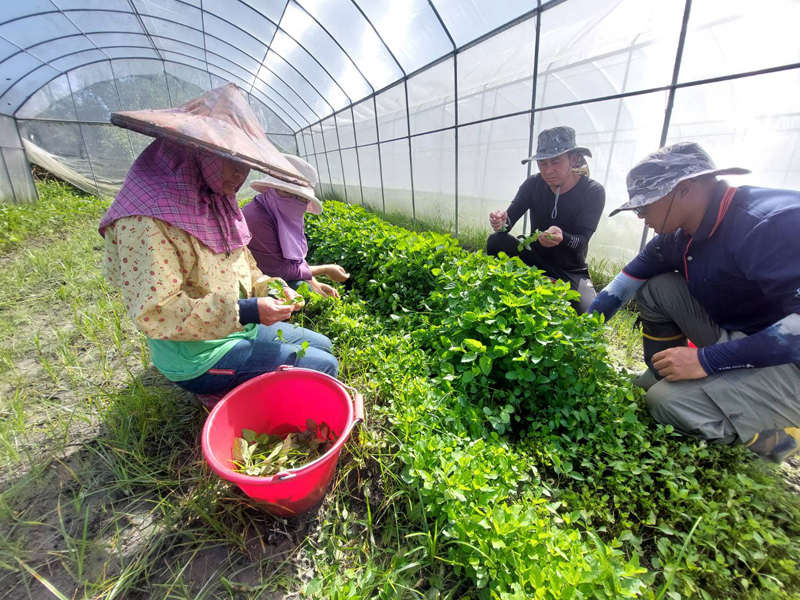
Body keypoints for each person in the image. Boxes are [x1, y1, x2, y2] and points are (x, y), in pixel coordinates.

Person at [99, 84, 338, 408]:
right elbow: (156, 311)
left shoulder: (218, 200)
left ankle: (242, 385)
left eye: (246, 162)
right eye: (228, 158)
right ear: (196, 151)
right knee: (324, 367)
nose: (240, 173)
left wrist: (270, 288)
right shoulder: (146, 220)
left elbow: (246, 265)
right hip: (199, 354)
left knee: (324, 346)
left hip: (237, 328)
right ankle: (217, 391)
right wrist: (248, 310)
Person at [589, 142, 800, 463]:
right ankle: (665, 372)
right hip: (749, 334)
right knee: (658, 287)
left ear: (684, 189)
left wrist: (705, 361)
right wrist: (577, 333)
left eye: (644, 207)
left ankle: (775, 437)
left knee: (665, 404)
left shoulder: (769, 224)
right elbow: (624, 285)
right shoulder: (681, 235)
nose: (641, 218)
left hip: (791, 361)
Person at [487, 126, 606, 313]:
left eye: (555, 162)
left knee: (589, 311)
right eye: (542, 163)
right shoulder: (533, 184)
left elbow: (581, 242)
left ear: (573, 159)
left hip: (569, 270)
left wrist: (562, 237)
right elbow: (507, 224)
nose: (548, 170)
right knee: (496, 240)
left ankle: (543, 282)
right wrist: (501, 222)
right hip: (533, 258)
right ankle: (524, 280)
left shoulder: (592, 191)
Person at [242, 154, 350, 297]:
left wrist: (313, 281)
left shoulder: (287, 212)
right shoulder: (256, 218)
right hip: (256, 277)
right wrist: (326, 269)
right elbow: (277, 271)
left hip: (273, 271)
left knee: (305, 286)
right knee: (299, 288)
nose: (293, 200)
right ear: (270, 188)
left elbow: (294, 257)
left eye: (300, 196)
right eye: (285, 192)